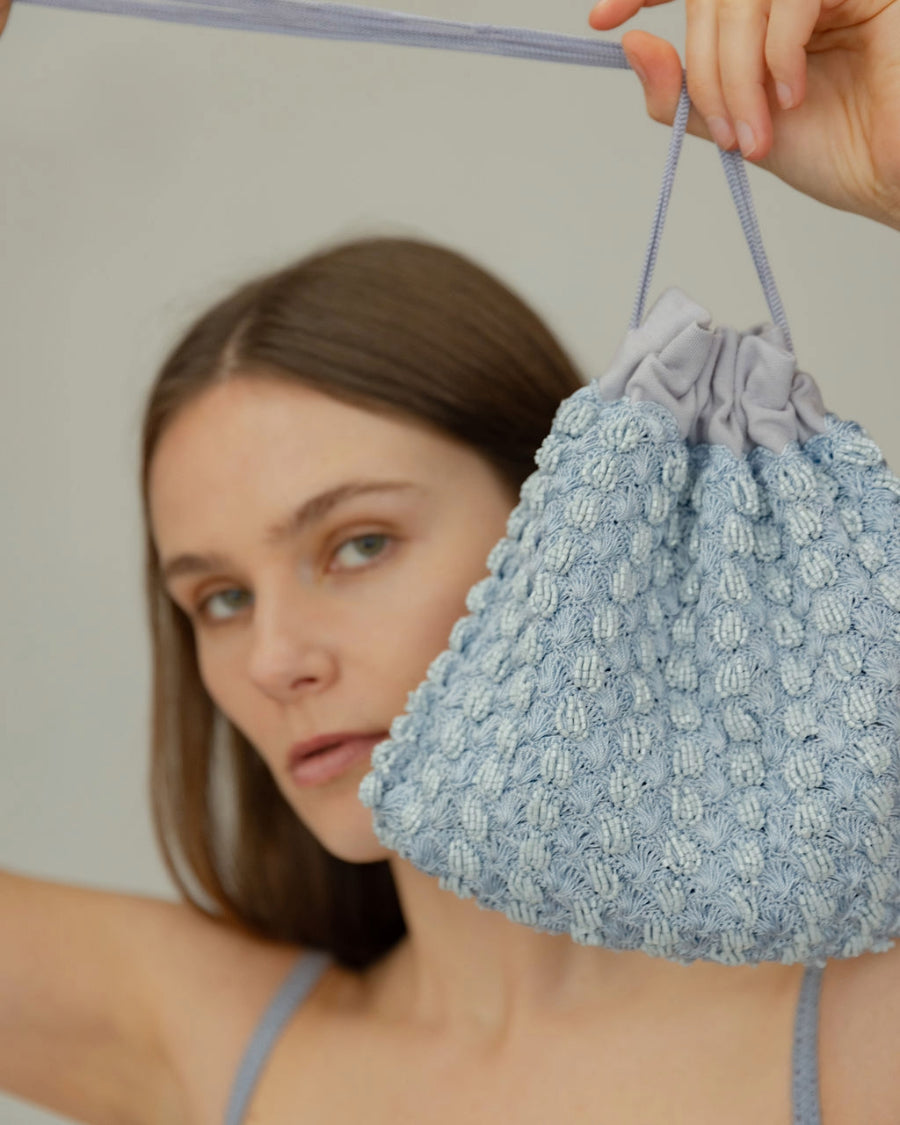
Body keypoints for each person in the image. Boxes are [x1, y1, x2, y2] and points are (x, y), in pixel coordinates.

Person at [2, 0, 899, 1123]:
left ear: (560, 517)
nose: (276, 658)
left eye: (358, 543)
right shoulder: (201, 1040)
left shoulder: (866, 1041)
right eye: (219, 598)